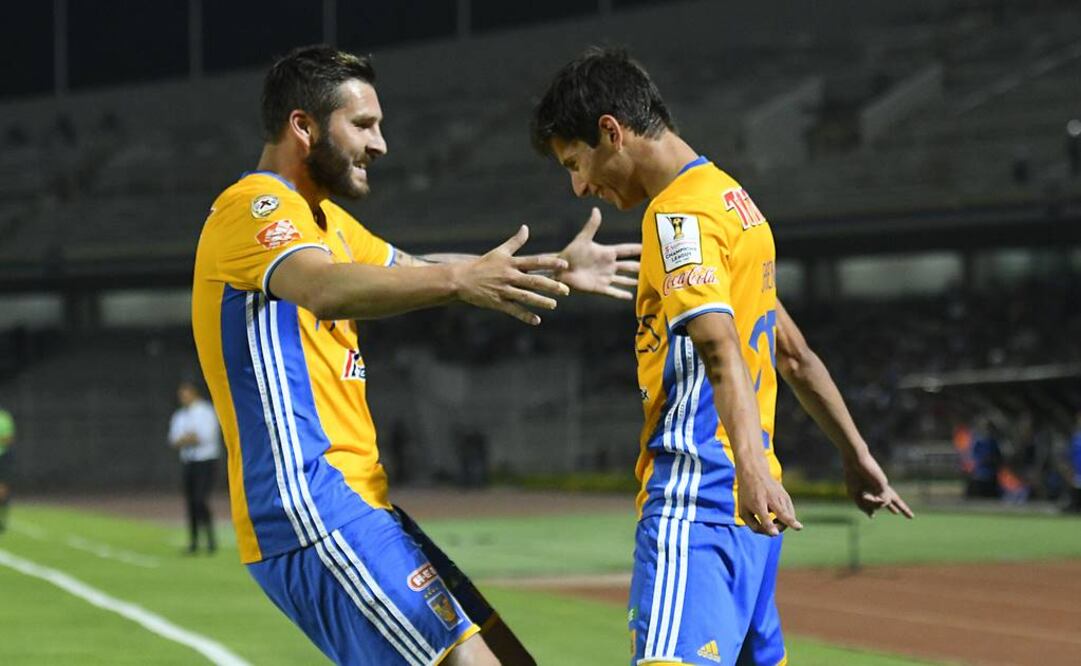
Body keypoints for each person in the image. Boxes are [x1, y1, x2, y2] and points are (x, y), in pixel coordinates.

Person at [192, 45, 638, 666]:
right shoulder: (254, 208)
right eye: (364, 125)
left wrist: (557, 265)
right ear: (304, 126)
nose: (381, 145)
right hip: (310, 505)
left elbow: (417, 267)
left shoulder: (328, 224)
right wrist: (461, 286)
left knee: (511, 660)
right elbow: (321, 289)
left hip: (359, 502)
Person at [531, 47, 910, 665]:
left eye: (575, 164)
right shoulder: (734, 202)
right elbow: (794, 353)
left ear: (611, 131)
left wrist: (750, 472)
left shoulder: (676, 215)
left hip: (698, 503)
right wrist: (856, 454)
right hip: (749, 522)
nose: (579, 187)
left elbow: (717, 343)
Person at [167, 381, 222, 554]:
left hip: (205, 461)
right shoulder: (180, 415)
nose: (183, 398)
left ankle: (211, 539)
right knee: (191, 502)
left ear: (193, 393)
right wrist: (188, 438)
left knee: (200, 499)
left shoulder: (206, 411)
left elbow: (205, 436)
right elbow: (173, 439)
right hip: (188, 462)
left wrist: (187, 439)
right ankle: (194, 542)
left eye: (185, 394)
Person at [0, 405, 14, 533]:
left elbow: (9, 439)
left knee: (2, 489)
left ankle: (2, 518)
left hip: (2, 456)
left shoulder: (4, 418)